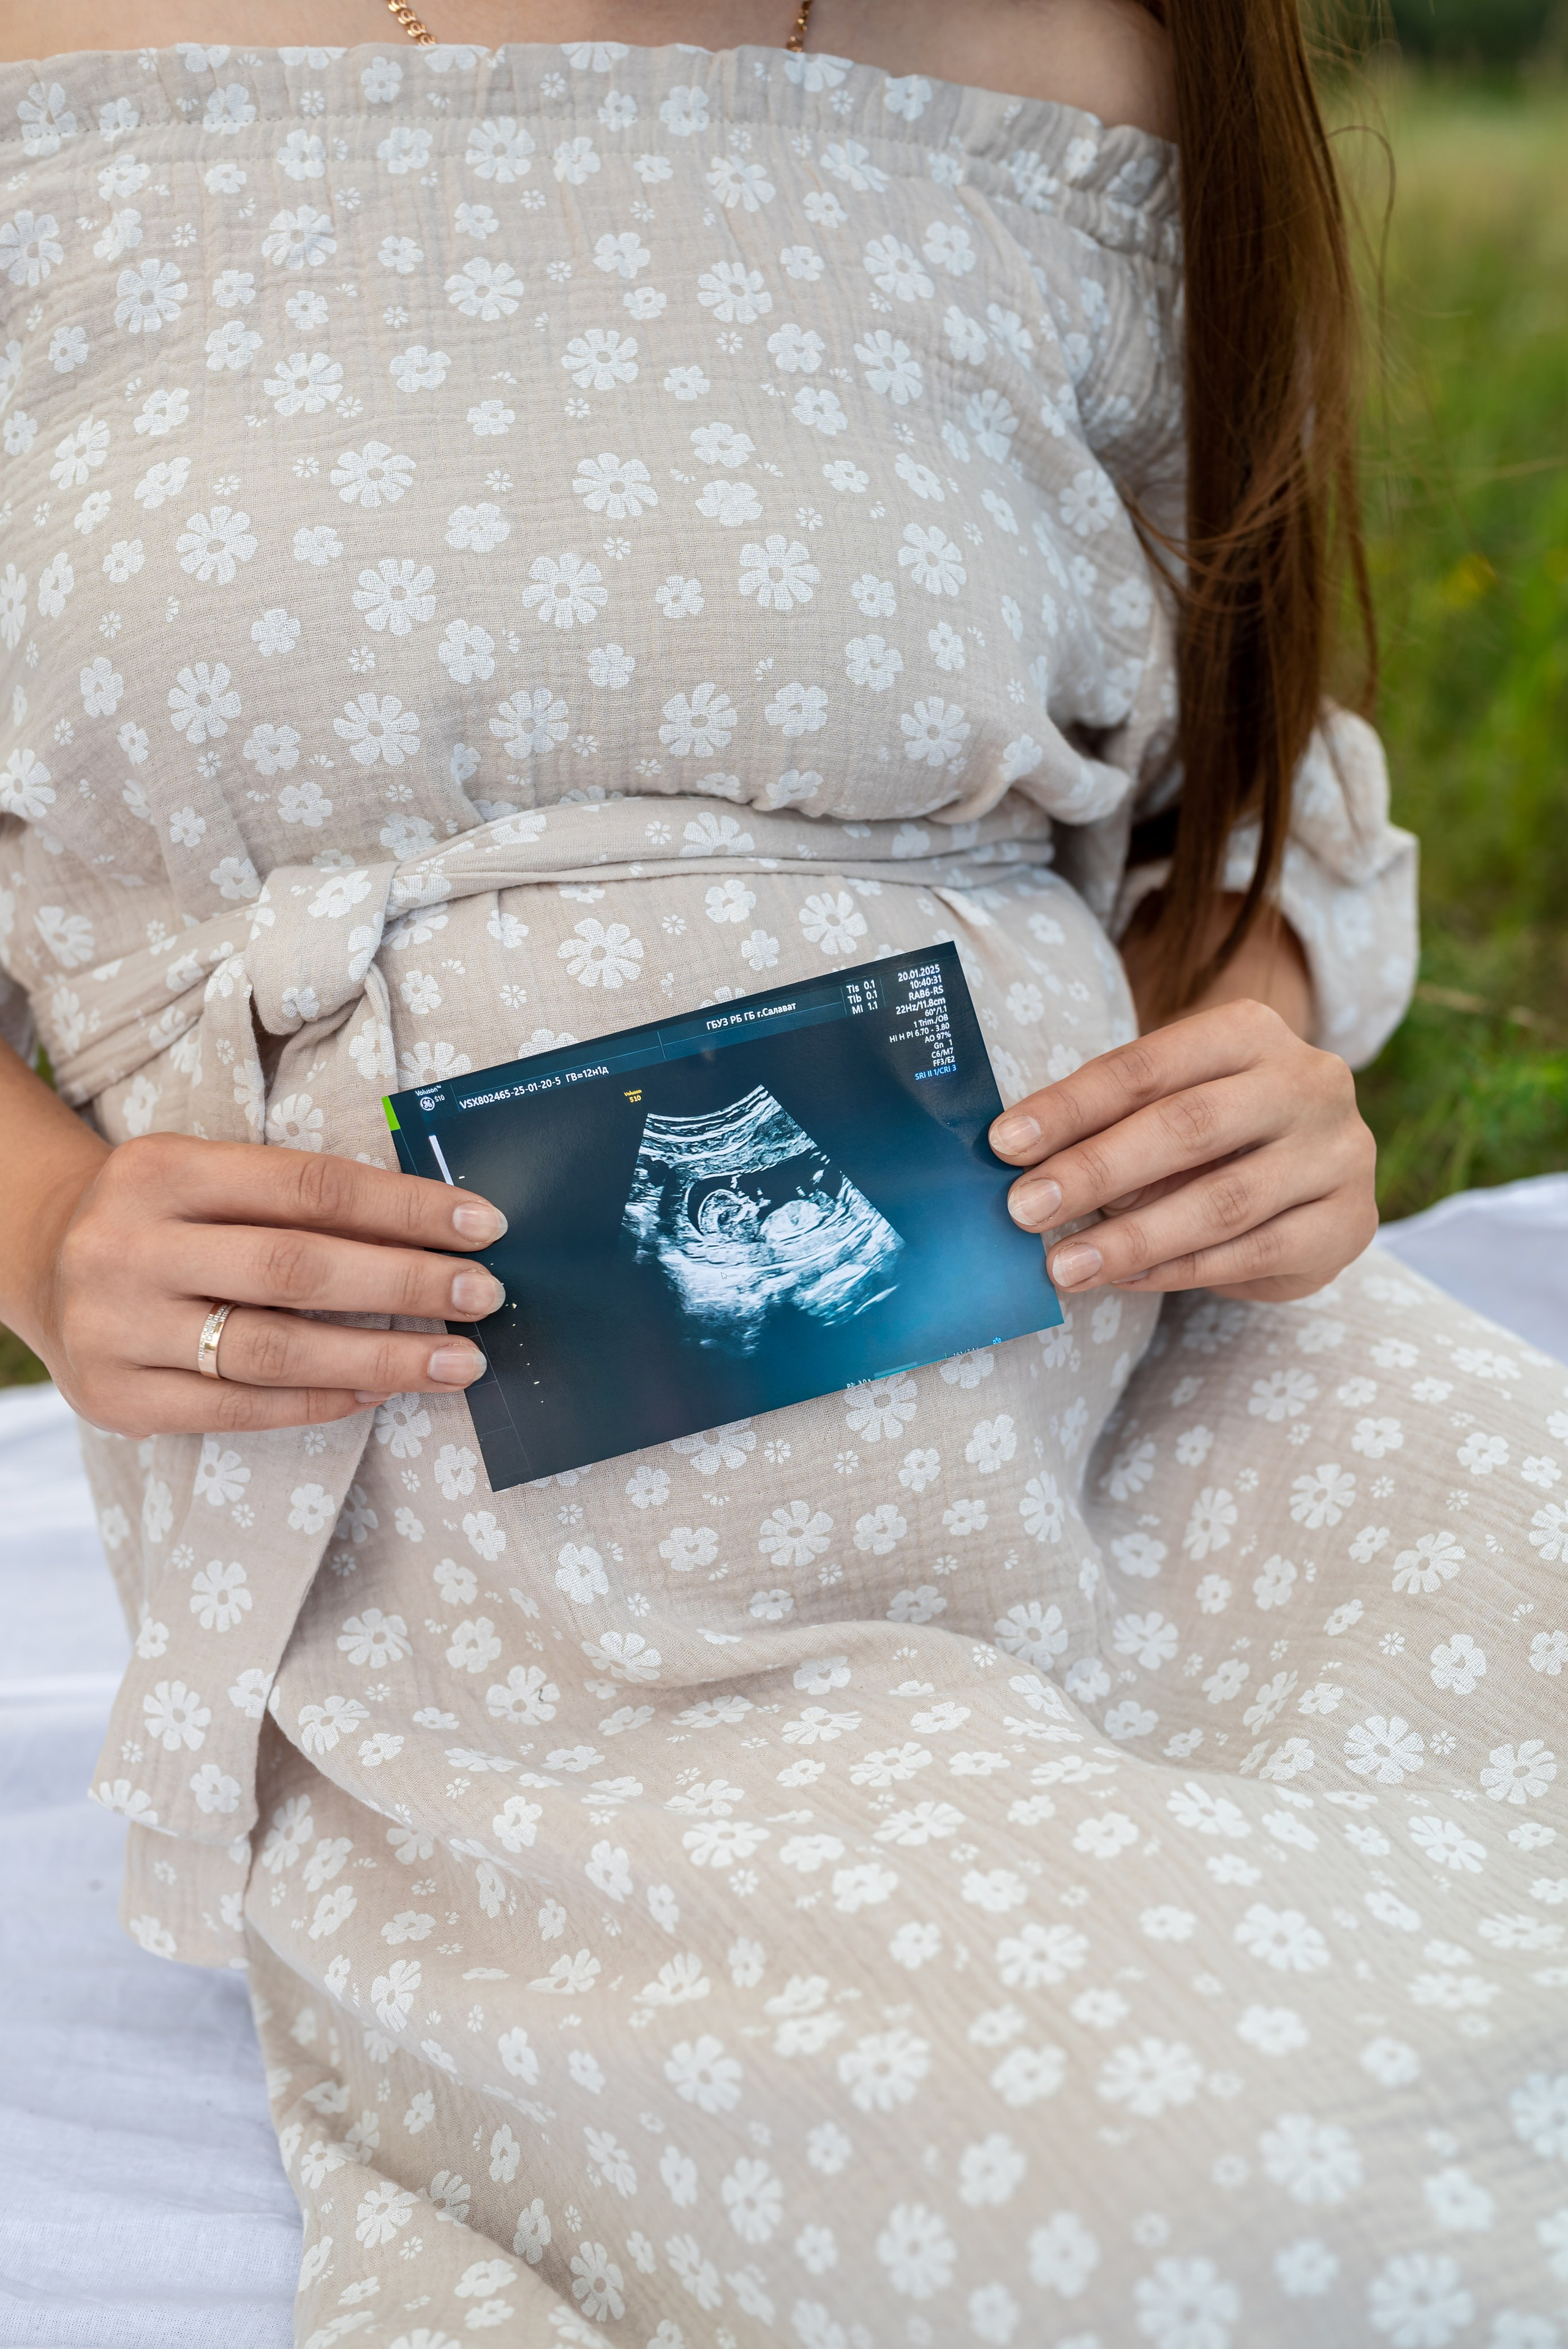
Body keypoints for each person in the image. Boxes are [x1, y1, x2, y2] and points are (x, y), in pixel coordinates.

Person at [1, 2, 1563, 2341]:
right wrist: (45, 1224)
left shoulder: (1106, 62)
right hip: (549, 1618)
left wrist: (1247, 1047)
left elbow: (1229, 789)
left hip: (1174, 1405)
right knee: (1206, 2197)